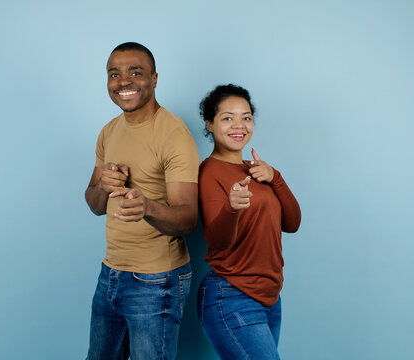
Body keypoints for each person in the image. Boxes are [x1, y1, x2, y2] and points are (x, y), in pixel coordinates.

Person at [84, 42, 199, 360]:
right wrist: (104, 187)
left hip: (156, 281)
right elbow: (93, 202)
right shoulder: (109, 131)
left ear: (155, 79)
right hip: (110, 274)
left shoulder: (174, 134)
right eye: (114, 74)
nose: (124, 82)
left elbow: (188, 219)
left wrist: (147, 208)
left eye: (136, 72)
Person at [196, 84, 301, 360]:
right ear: (210, 124)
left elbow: (292, 223)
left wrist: (275, 177)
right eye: (227, 117)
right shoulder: (209, 171)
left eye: (246, 117)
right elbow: (217, 241)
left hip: (270, 298)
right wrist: (232, 208)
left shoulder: (256, 169)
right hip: (231, 296)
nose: (239, 125)